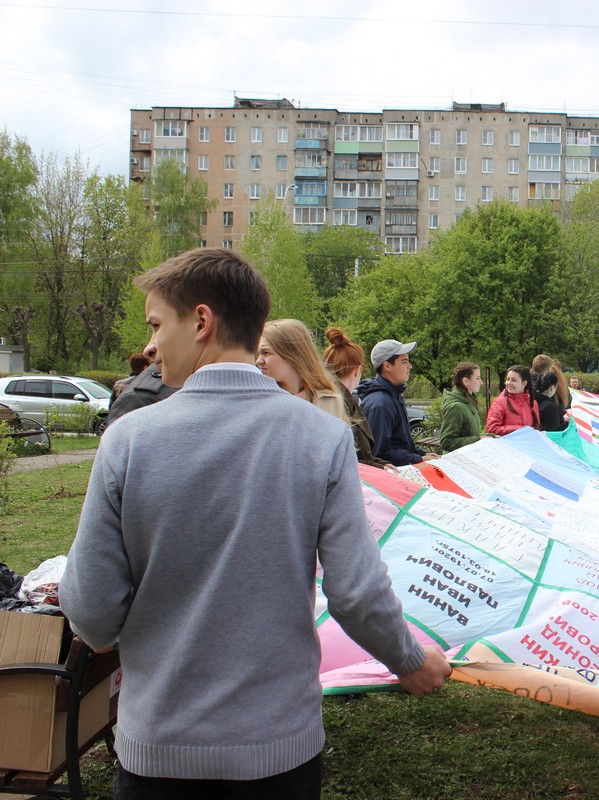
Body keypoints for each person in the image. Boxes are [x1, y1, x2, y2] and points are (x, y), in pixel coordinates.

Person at [58, 248, 451, 799]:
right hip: (279, 753)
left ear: (201, 321)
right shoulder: (322, 438)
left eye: (156, 324)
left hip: (159, 753)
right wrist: (409, 662)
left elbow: (93, 613)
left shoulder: (128, 440)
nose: (150, 345)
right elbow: (357, 592)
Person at [358, 339, 438, 465]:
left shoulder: (393, 395)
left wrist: (421, 454)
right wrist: (418, 459)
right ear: (387, 366)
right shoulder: (380, 403)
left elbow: (400, 443)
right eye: (404, 361)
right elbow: (380, 454)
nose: (410, 366)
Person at [322, 327, 389, 468]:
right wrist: (380, 467)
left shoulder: (340, 399)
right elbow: (344, 461)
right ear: (357, 370)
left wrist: (381, 464)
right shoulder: (334, 403)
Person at [258, 319, 347, 423]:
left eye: (266, 353)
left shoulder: (330, 402)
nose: (259, 361)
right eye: (259, 353)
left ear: (292, 354)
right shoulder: (258, 403)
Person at [99, 346, 178, 434]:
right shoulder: (149, 386)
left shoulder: (119, 384)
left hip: (118, 425)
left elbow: (112, 405)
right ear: (145, 367)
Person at [440, 361, 484, 452]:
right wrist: (478, 439)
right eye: (478, 378)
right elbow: (446, 442)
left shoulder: (469, 401)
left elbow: (469, 434)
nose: (481, 382)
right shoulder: (456, 407)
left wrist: (490, 437)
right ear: (466, 381)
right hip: (456, 461)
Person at [486, 365, 540, 435]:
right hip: (505, 445)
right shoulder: (499, 402)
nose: (509, 383)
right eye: (508, 379)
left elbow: (536, 427)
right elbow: (492, 429)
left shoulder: (533, 403)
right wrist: (519, 429)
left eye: (513, 380)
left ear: (524, 383)